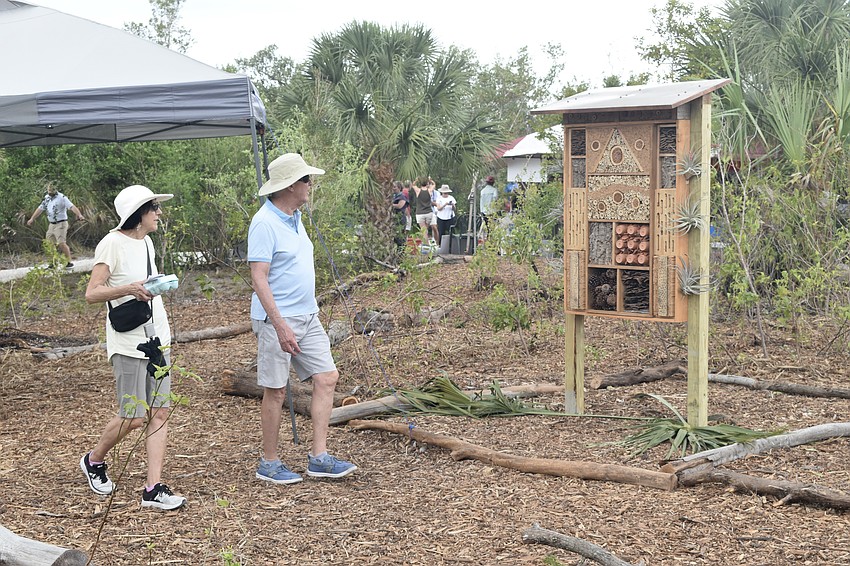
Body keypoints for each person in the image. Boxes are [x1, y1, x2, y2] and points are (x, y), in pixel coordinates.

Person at [248, 153, 357, 485]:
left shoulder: (295, 217)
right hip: (277, 320)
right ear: (291, 185)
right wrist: (279, 324)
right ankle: (268, 462)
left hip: (308, 316)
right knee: (277, 390)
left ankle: (319, 458)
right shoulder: (264, 222)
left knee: (327, 377)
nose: (311, 185)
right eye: (306, 180)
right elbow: (259, 278)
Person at [80, 184, 186, 511]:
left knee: (161, 411)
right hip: (128, 343)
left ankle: (152, 488)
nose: (159, 213)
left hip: (157, 337)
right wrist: (128, 289)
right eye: (155, 208)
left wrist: (153, 287)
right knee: (133, 417)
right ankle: (94, 460)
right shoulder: (111, 243)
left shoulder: (148, 242)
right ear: (139, 214)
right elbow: (92, 293)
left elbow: (145, 285)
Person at [27, 182, 85, 267]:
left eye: (52, 189)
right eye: (49, 189)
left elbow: (72, 206)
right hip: (52, 224)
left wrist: (79, 215)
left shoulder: (62, 198)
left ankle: (68, 262)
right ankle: (53, 263)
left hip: (61, 223)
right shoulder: (47, 198)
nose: (50, 191)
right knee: (49, 244)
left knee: (61, 243)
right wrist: (32, 218)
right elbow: (40, 208)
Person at [412, 177, 439, 246]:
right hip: (428, 212)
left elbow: (413, 185)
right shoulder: (429, 191)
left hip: (420, 213)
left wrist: (416, 180)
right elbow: (434, 184)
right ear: (427, 184)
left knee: (424, 231)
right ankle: (433, 244)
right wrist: (430, 180)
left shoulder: (418, 191)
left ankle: (426, 245)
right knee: (426, 229)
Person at [391, 181, 410, 249]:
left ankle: (402, 252)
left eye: (394, 187)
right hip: (393, 218)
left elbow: (400, 206)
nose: (393, 188)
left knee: (400, 236)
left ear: (399, 187)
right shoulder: (392, 196)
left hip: (400, 218)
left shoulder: (402, 196)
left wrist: (389, 205)